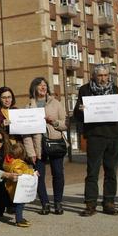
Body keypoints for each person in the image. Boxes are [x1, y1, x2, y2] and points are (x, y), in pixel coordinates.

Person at [74, 65, 118, 216]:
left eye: (105, 75)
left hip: (114, 135)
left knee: (111, 171)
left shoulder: (115, 89)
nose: (103, 78)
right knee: (92, 171)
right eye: (100, 76)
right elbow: (77, 114)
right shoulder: (85, 90)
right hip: (95, 135)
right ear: (93, 76)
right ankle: (90, 204)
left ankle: (109, 202)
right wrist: (80, 109)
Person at [23, 77, 68, 215]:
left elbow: (65, 125)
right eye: (40, 85)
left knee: (58, 174)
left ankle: (58, 203)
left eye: (45, 85)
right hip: (38, 146)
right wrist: (31, 152)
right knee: (39, 176)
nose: (43, 87)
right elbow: (26, 133)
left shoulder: (56, 103)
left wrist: (53, 122)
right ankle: (45, 204)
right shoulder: (29, 106)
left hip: (55, 143)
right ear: (34, 88)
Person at [3, 139, 36, 227]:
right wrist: (32, 172)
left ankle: (17, 215)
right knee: (20, 203)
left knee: (16, 203)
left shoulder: (7, 160)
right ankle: (19, 219)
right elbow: (20, 172)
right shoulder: (18, 163)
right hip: (18, 187)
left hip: (10, 186)